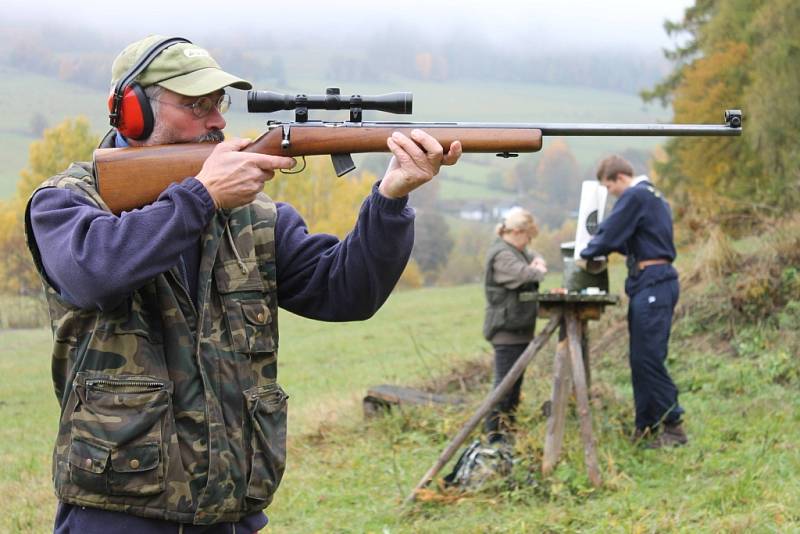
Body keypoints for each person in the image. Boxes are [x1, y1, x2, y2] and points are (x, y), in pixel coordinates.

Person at [24, 35, 462, 533]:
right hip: (116, 515)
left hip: (231, 513)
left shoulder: (253, 218)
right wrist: (202, 196)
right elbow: (94, 273)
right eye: (196, 105)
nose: (217, 121)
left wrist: (390, 199)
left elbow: (347, 293)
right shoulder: (68, 202)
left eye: (219, 103)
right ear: (132, 112)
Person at [579, 155, 687, 448]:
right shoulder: (653, 197)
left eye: (610, 188)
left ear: (619, 179)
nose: (612, 195)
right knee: (641, 358)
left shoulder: (636, 195)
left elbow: (611, 230)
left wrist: (586, 252)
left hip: (652, 282)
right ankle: (646, 425)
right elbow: (627, 237)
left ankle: (673, 425)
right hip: (653, 282)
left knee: (648, 358)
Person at [482, 207, 547, 445]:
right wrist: (537, 269)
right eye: (528, 237)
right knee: (504, 388)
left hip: (518, 330)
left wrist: (536, 262)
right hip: (506, 331)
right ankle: (493, 436)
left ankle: (506, 434)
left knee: (513, 388)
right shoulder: (502, 255)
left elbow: (533, 259)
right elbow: (525, 275)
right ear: (518, 232)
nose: (529, 243)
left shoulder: (514, 251)